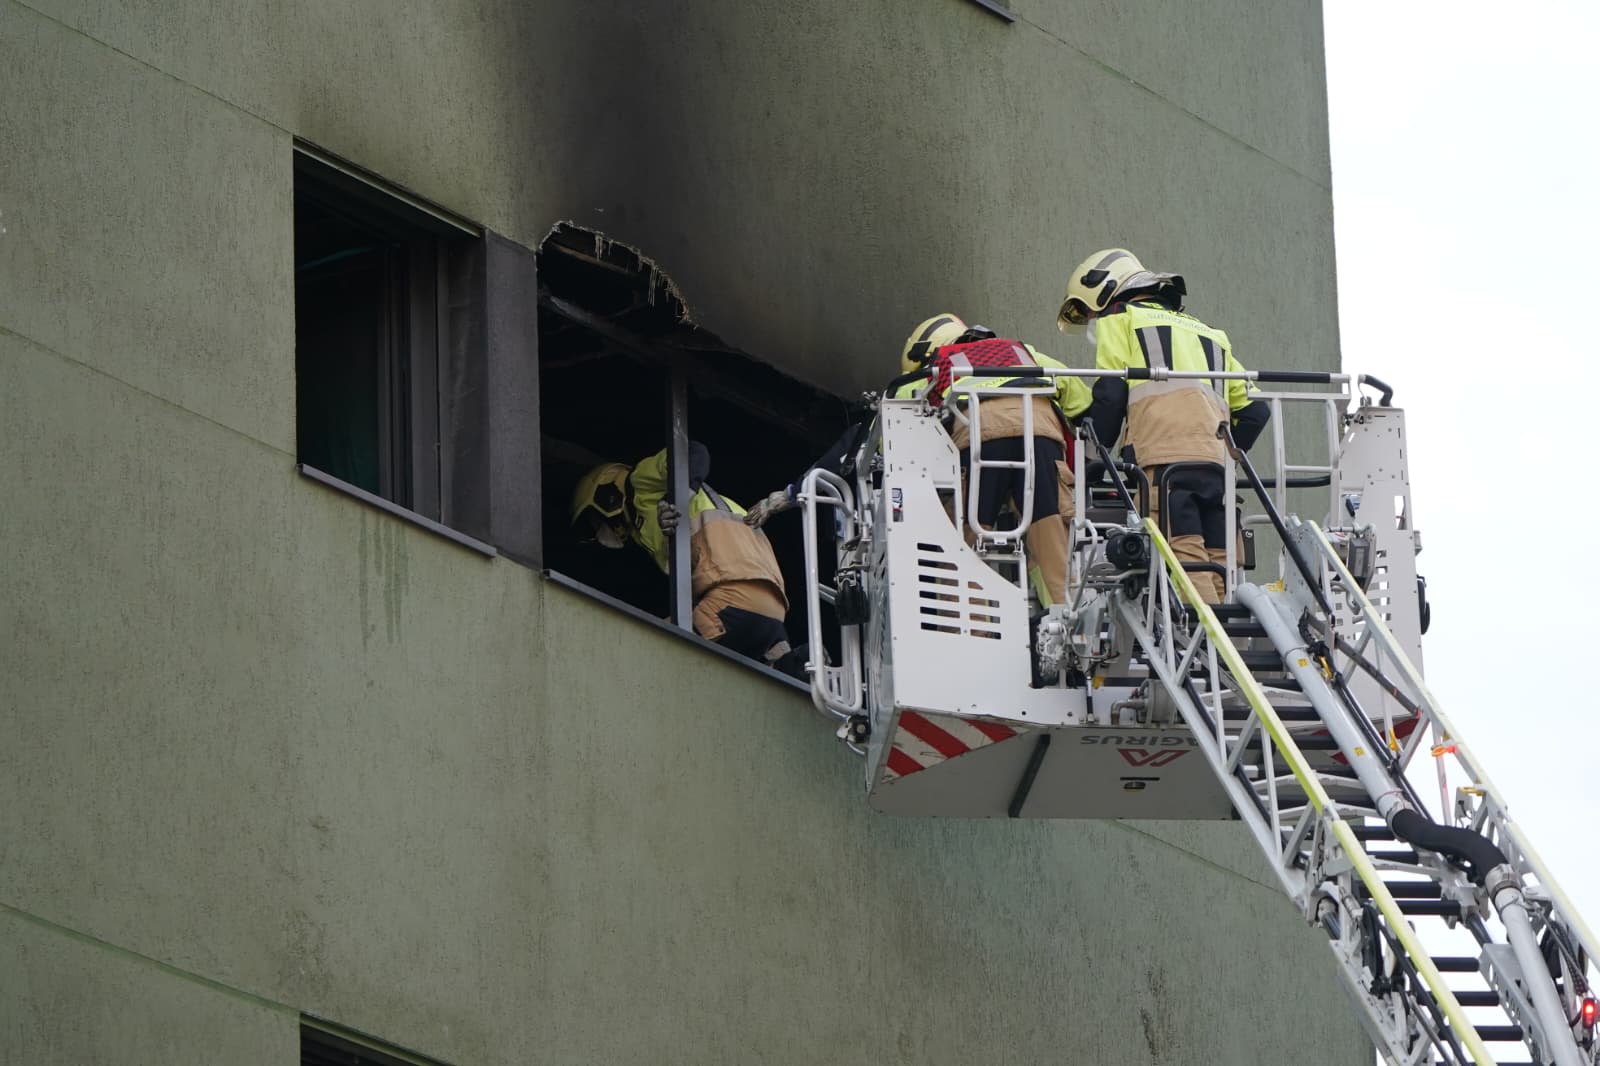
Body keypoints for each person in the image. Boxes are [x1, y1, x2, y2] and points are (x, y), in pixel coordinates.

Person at [1058, 248, 1270, 603]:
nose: (1095, 322)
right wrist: (1225, 454)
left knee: (1184, 557)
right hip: (1215, 468)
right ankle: (1227, 647)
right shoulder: (1211, 334)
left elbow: (1110, 395)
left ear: (1105, 292)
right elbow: (1256, 413)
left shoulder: (1120, 319)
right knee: (1221, 565)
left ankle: (1208, 651)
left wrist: (1090, 466)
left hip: (1162, 464)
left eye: (1093, 313)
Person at [899, 314, 1091, 609]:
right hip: (1039, 433)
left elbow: (895, 426)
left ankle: (970, 632)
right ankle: (1067, 622)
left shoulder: (936, 365)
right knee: (1050, 537)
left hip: (979, 437)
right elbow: (1081, 401)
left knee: (965, 543)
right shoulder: (1024, 351)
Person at [571, 443, 806, 677]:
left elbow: (694, 452)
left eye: (596, 521)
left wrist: (676, 497)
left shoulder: (639, 484)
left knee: (646, 647)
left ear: (607, 495)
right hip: (772, 611)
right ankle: (793, 662)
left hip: (731, 598)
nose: (604, 529)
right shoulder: (651, 529)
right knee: (770, 674)